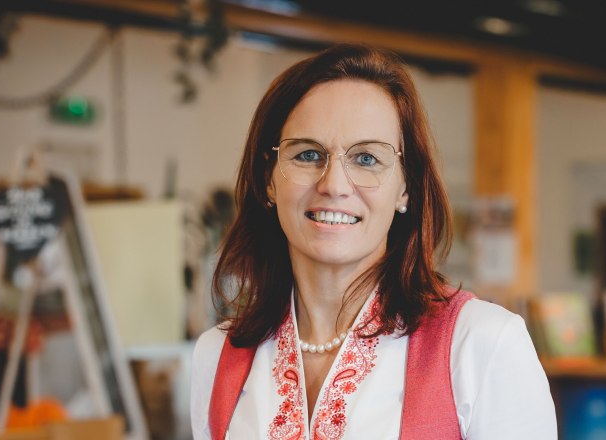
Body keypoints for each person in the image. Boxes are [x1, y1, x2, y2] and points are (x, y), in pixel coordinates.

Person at [191, 43, 557, 439]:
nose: (333, 185)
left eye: (366, 158)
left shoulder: (483, 344)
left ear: (405, 187)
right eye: (308, 154)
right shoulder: (217, 355)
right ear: (269, 178)